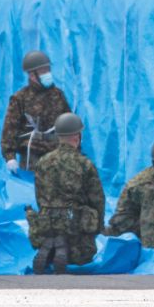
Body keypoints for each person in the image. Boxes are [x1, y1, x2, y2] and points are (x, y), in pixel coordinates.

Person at [28, 112, 105, 274]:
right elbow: (97, 199)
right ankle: (64, 248)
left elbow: (39, 197)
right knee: (83, 256)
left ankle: (51, 244)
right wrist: (98, 227)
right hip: (75, 226)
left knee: (50, 219)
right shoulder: (85, 164)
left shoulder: (43, 162)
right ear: (77, 137)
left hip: (47, 224)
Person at [105, 138, 154, 252]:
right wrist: (151, 256)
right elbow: (149, 222)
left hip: (141, 213)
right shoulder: (150, 188)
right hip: (126, 224)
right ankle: (151, 249)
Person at [0, 50, 71, 171]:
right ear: (32, 75)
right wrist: (10, 157)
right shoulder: (20, 98)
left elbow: (69, 125)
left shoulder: (58, 95)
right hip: (32, 156)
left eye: (48, 69)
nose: (47, 73)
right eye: (43, 71)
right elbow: (10, 129)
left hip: (57, 155)